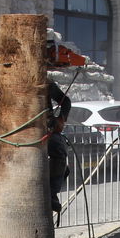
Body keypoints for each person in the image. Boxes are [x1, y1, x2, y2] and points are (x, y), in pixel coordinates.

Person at [46, 80, 71, 215]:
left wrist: (61, 119)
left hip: (46, 129)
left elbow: (65, 102)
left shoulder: (45, 83)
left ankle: (51, 193)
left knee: (62, 163)